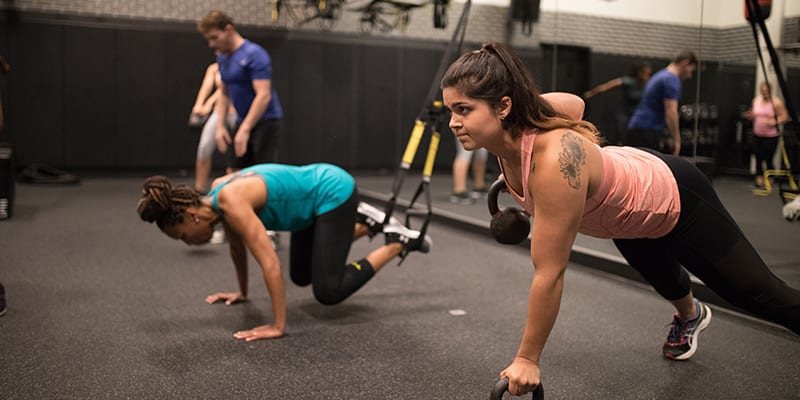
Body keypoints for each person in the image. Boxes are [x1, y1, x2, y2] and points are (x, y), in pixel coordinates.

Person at [440, 42, 800, 396]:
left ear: (503, 106)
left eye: (464, 110)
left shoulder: (553, 162)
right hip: (622, 214)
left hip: (673, 194)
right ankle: (690, 315)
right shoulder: (511, 138)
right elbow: (575, 104)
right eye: (450, 110)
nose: (454, 122)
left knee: (757, 294)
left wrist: (527, 359)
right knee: (662, 276)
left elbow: (549, 272)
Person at [137, 163, 432, 341]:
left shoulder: (230, 200)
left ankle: (397, 242)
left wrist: (278, 326)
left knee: (328, 290)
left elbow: (270, 263)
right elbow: (237, 249)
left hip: (332, 191)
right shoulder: (217, 195)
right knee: (301, 275)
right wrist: (242, 292)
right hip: (306, 210)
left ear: (191, 216)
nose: (188, 243)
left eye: (183, 237)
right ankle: (368, 224)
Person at [197, 10, 283, 173]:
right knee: (234, 171)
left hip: (266, 122)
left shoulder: (254, 54)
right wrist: (220, 126)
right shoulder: (222, 57)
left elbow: (263, 96)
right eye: (208, 39)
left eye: (215, 37)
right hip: (241, 119)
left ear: (228, 29)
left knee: (262, 174)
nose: (211, 44)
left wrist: (245, 129)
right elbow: (223, 93)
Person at [627, 50, 698, 155]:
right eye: (691, 71)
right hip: (647, 130)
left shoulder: (661, 75)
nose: (689, 76)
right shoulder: (671, 79)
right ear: (685, 63)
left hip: (639, 128)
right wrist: (677, 141)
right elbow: (671, 112)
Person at [189, 61, 238, 193]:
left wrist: (209, 103)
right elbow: (206, 87)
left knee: (237, 152)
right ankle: (199, 189)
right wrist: (199, 104)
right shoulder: (214, 69)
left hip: (237, 112)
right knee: (204, 147)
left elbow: (225, 90)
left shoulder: (239, 67)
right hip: (219, 112)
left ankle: (234, 189)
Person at [583, 61, 652, 146]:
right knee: (622, 133)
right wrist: (592, 93)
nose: (646, 76)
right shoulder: (628, 81)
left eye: (648, 74)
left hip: (638, 116)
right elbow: (608, 86)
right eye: (644, 73)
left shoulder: (649, 85)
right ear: (638, 72)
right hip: (625, 114)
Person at [742, 81, 789, 188]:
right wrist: (750, 116)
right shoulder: (756, 101)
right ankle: (759, 177)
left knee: (768, 158)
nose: (765, 92)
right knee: (758, 156)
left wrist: (773, 122)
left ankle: (770, 178)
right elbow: (754, 114)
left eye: (767, 90)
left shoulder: (776, 102)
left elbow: (785, 117)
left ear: (770, 90)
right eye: (763, 90)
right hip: (757, 134)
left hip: (771, 136)